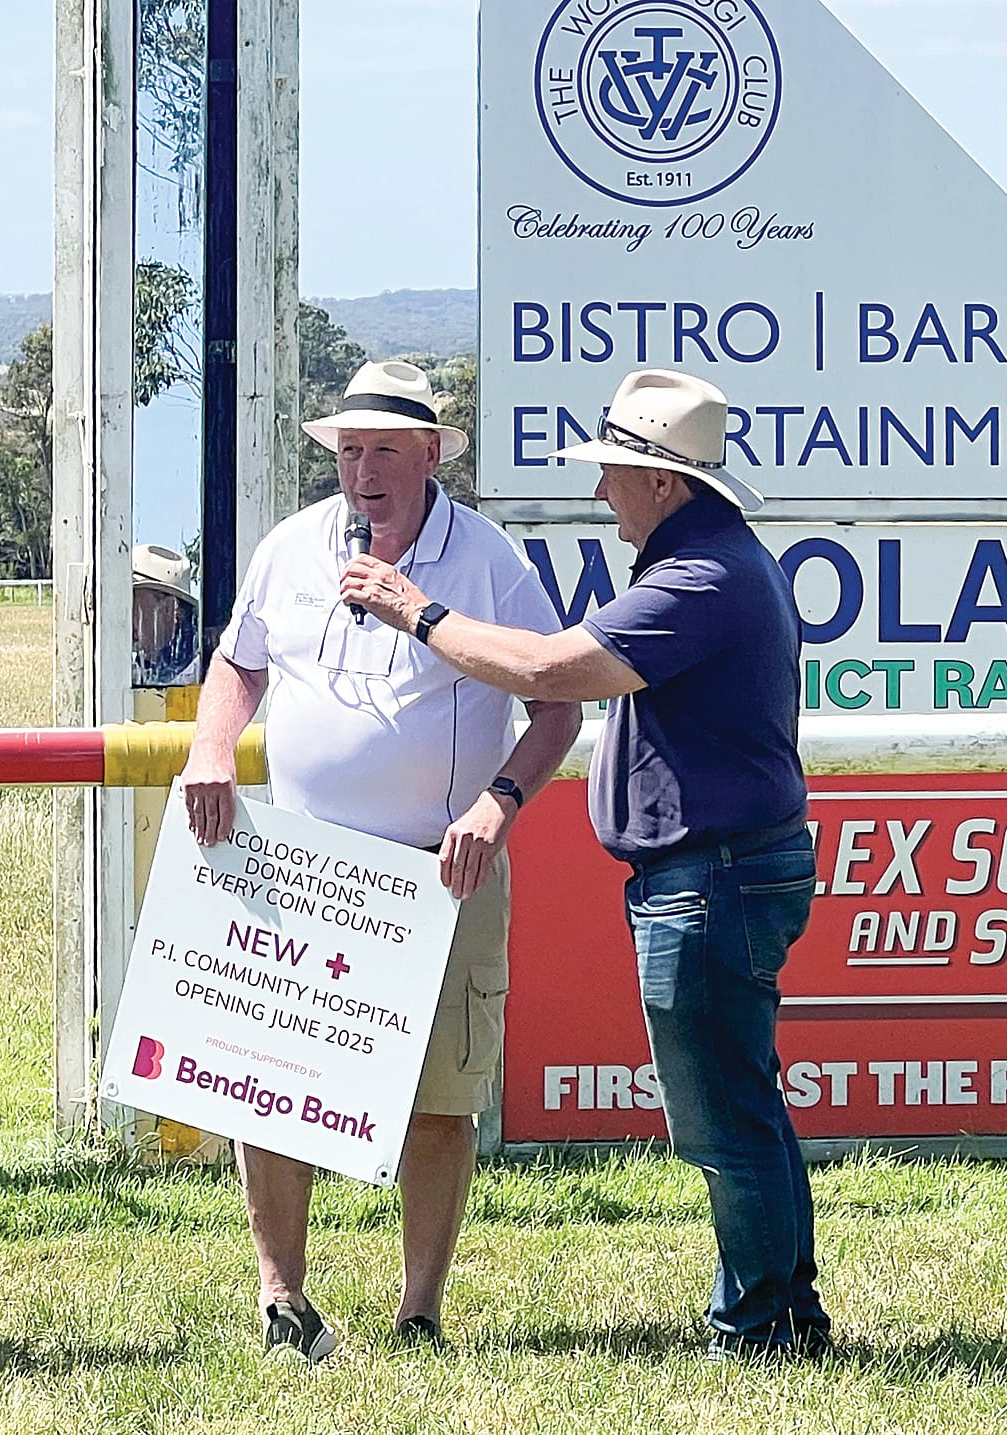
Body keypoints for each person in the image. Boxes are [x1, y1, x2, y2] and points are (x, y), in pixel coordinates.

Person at [340, 368, 831, 1360]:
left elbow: (548, 673)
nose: (600, 489)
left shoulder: (694, 579)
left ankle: (756, 1328)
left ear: (661, 484)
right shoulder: (715, 563)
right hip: (729, 869)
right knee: (744, 1103)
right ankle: (780, 1313)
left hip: (709, 875)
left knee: (720, 1118)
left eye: (612, 470)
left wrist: (413, 611)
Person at [181, 360, 582, 1359]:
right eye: (348, 452)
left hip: (439, 871)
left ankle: (418, 1313)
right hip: (300, 867)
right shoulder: (289, 548)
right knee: (267, 1087)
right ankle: (281, 1301)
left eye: (384, 454)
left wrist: (497, 804)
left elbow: (557, 705)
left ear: (430, 459)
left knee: (437, 1103)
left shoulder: (486, 560)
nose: (363, 475)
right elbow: (240, 662)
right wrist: (208, 747)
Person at [132, 542, 201, 686]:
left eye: (133, 604)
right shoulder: (134, 672)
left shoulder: (200, 671)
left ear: (168, 608)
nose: (125, 616)